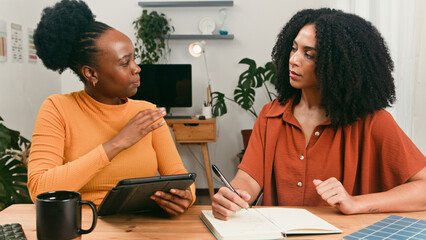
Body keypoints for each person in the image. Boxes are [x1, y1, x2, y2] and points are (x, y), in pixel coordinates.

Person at [212, 8, 426, 220]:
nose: (293, 60)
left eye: (308, 54)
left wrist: (356, 202)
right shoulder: (271, 115)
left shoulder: (374, 122)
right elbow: (248, 178)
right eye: (293, 48)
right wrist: (234, 196)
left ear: (339, 65)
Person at [27, 0, 195, 216]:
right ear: (91, 73)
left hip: (143, 228)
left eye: (134, 59)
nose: (137, 68)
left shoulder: (147, 112)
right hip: (83, 226)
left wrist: (187, 196)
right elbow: (39, 188)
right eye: (125, 63)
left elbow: (179, 175)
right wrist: (118, 142)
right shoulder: (57, 108)